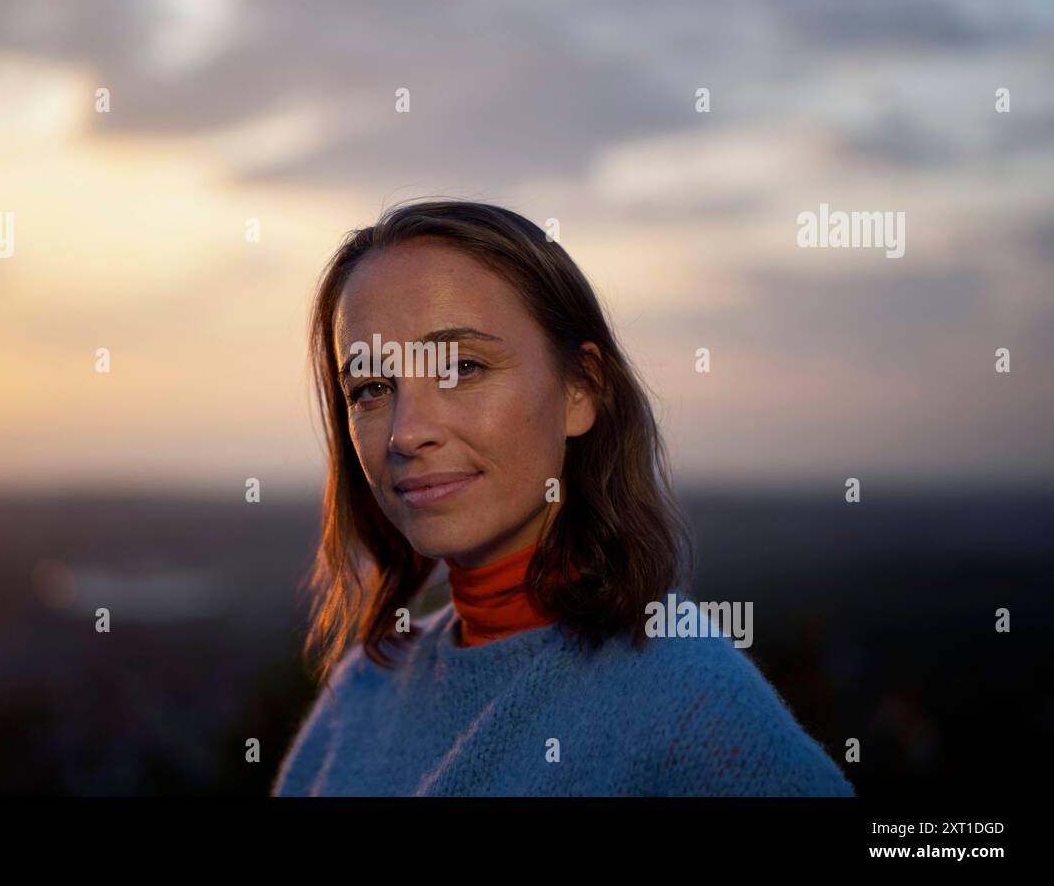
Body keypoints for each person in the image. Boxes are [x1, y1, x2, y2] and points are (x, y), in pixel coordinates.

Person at [272, 199, 854, 796]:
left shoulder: (690, 703)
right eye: (369, 387)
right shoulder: (360, 696)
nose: (406, 431)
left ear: (581, 389)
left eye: (462, 367)